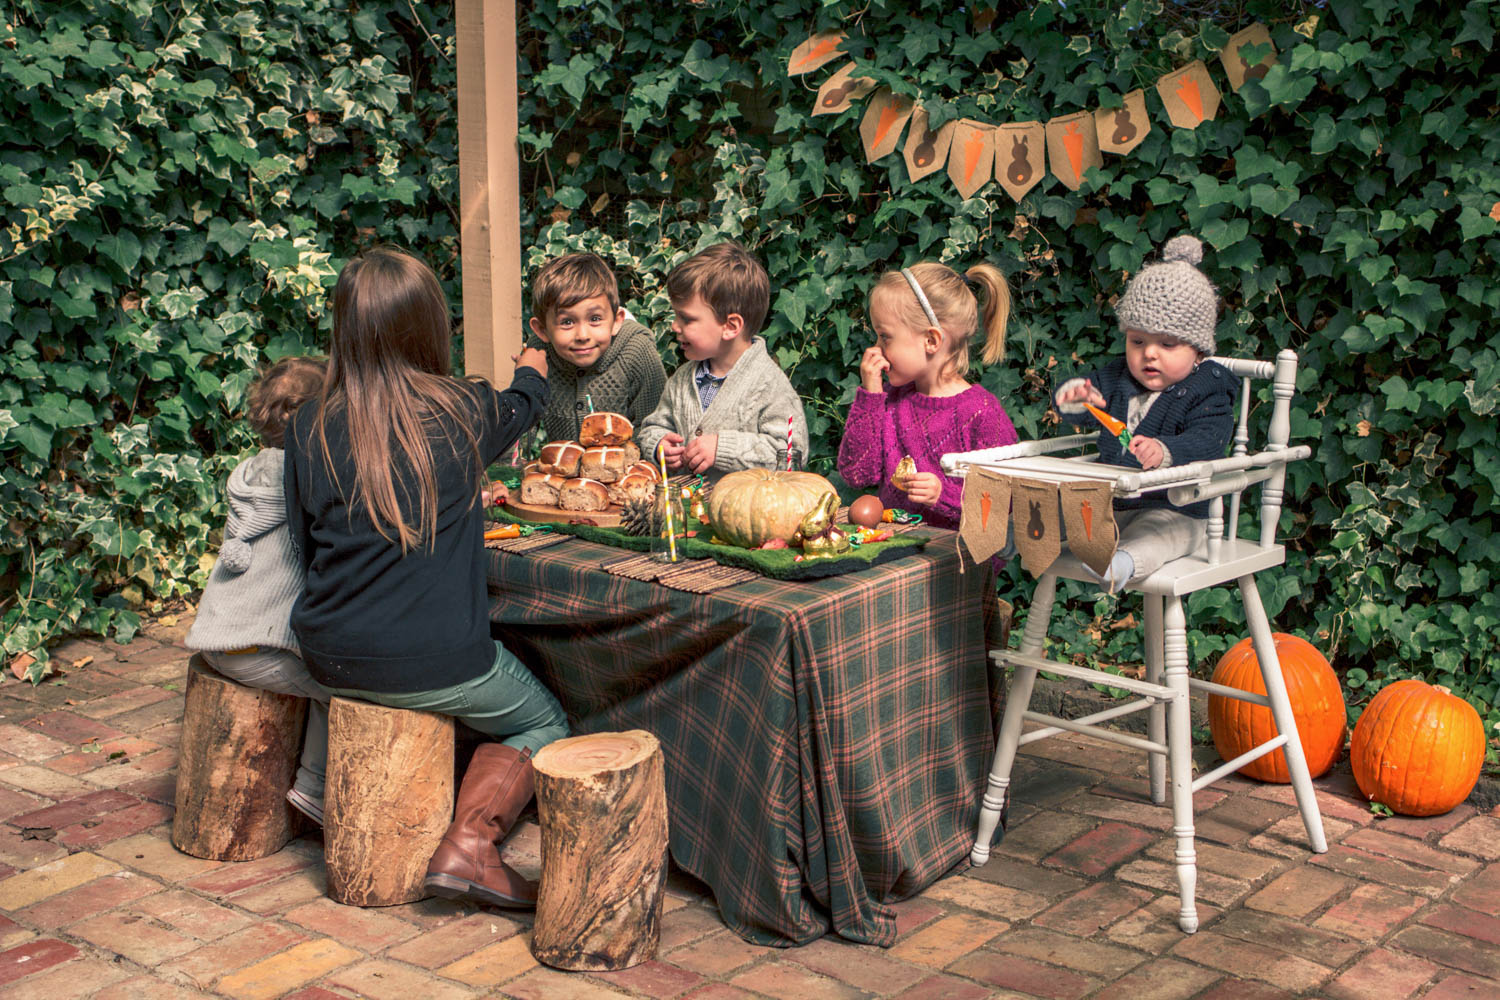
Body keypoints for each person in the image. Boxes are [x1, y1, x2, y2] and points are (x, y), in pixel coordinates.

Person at [283, 247, 568, 908]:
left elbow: (304, 547)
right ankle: (471, 847)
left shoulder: (306, 427)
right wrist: (532, 366)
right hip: (432, 662)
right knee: (545, 722)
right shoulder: (462, 411)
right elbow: (524, 404)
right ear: (429, 329)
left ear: (346, 330)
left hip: (327, 656)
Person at [186, 356, 332, 825]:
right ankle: (314, 785)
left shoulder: (248, 474)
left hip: (218, 636)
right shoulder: (307, 479)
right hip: (254, 646)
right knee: (338, 687)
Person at [1053, 234, 1236, 591]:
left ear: (1198, 350)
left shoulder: (1208, 387)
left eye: (1167, 344)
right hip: (1112, 505)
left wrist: (1167, 451)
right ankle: (1017, 537)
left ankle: (1123, 564)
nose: (1149, 354)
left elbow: (1208, 442)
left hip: (1177, 509)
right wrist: (1076, 398)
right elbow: (1083, 412)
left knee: (1157, 536)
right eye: (1137, 341)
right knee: (1061, 512)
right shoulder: (1115, 377)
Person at [837, 260, 1018, 530]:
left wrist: (942, 496)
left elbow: (1007, 503)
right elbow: (856, 474)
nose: (875, 350)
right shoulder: (888, 402)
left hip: (958, 560)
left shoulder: (981, 413)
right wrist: (870, 395)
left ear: (931, 341)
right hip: (896, 548)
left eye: (885, 337)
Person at [635, 241, 809, 476]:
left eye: (686, 319)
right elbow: (654, 426)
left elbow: (791, 453)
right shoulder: (682, 379)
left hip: (747, 510)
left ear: (730, 326)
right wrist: (658, 445)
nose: (675, 326)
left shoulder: (770, 386)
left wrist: (723, 448)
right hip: (685, 508)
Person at [528, 251, 667, 443]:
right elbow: (521, 429)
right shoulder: (537, 353)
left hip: (628, 466)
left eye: (595, 319)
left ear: (616, 320)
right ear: (542, 330)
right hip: (565, 468)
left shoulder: (636, 351)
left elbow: (656, 426)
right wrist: (524, 381)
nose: (583, 336)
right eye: (567, 322)